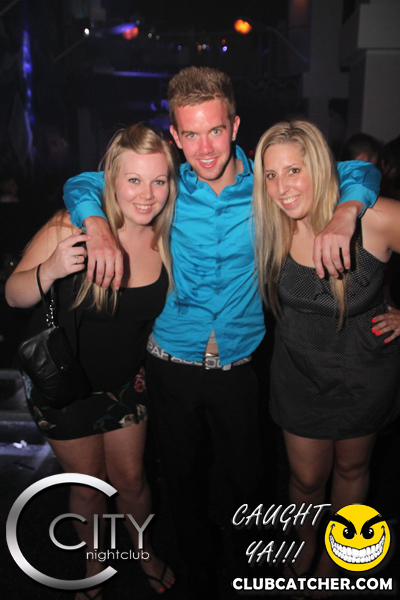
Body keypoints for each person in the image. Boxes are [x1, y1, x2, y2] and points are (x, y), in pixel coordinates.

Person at [62, 67, 381, 598]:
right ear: (175, 135)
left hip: (240, 364)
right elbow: (84, 183)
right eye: (190, 134)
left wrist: (348, 211)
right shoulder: (166, 186)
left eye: (214, 130)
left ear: (234, 126)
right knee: (181, 484)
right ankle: (198, 576)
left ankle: (245, 570)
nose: (205, 148)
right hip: (170, 363)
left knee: (247, 483)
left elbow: (356, 170)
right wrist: (94, 224)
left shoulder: (267, 185)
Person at [5, 123, 177, 599]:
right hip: (61, 385)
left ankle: (142, 552)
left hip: (124, 382)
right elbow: (14, 295)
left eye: (158, 180)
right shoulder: (71, 225)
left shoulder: (167, 238)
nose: (147, 194)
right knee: (88, 485)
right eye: (134, 180)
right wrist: (51, 269)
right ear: (111, 180)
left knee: (132, 481)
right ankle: (93, 563)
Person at [253, 119, 400, 587]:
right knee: (305, 481)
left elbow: (361, 172)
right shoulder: (270, 223)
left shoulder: (373, 219)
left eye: (294, 170)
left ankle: (336, 557)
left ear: (319, 166)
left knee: (354, 469)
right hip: (298, 375)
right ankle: (305, 548)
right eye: (271, 175)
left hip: (364, 373)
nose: (282, 188)